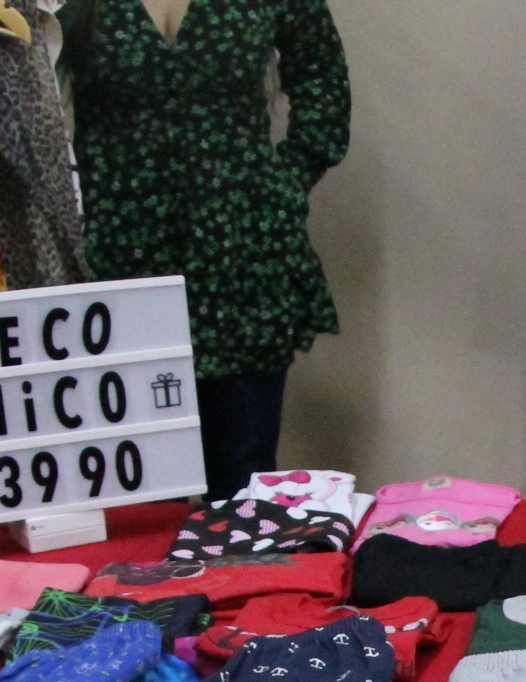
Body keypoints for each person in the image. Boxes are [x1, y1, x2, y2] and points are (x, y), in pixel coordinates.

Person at [63, 0, 349, 500]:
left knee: (243, 477)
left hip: (242, 257)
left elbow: (322, 74)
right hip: (121, 262)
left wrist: (286, 183)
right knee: (142, 490)